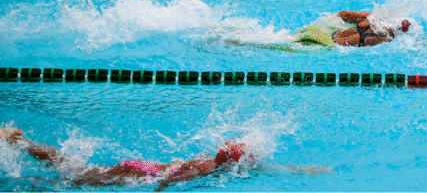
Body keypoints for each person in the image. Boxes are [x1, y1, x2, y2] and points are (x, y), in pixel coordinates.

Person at [0, 129, 324, 188]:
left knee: (77, 170)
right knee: (75, 180)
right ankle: (22, 159)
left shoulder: (212, 161)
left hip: (142, 167)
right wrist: (159, 189)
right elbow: (175, 176)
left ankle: (22, 142)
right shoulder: (208, 169)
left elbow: (273, 168)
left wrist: (305, 170)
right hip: (140, 174)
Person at [291, 10, 411, 47]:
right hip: (323, 45)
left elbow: (343, 14)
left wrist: (333, 21)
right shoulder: (385, 38)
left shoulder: (371, 19)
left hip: (321, 31)